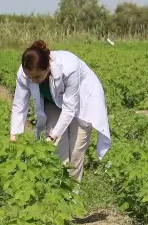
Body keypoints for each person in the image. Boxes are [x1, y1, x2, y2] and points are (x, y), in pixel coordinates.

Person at [8, 40, 111, 178]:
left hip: (81, 102)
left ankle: (73, 195)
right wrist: (14, 135)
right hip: (52, 103)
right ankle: (59, 190)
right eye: (29, 77)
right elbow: (19, 105)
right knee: (57, 150)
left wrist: (51, 137)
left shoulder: (69, 67)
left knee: (75, 152)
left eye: (37, 77)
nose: (33, 81)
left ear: (47, 68)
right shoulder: (24, 73)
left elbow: (69, 108)